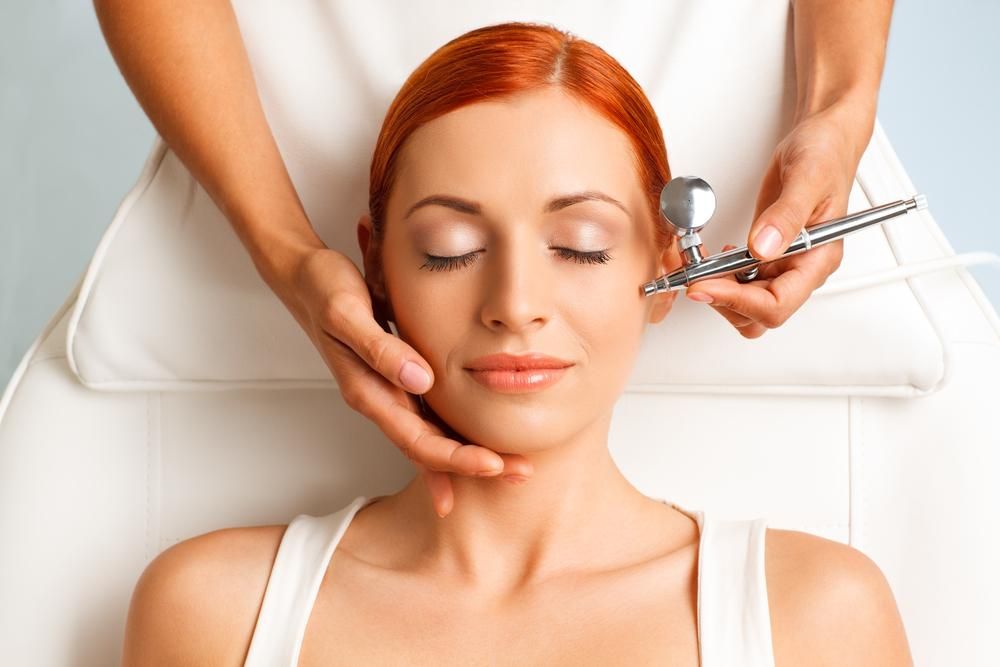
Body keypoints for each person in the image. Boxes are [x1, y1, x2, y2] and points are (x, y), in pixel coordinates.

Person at [120, 22, 912, 665]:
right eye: (451, 246)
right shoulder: (216, 612)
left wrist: (842, 112)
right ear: (374, 268)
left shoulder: (817, 620)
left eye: (582, 244)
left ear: (670, 266)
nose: (516, 305)